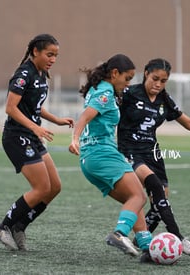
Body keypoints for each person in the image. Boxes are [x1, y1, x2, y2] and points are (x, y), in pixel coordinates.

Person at [117, 58, 190, 257]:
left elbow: (188, 123)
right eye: (155, 79)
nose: (158, 84)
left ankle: (142, 240)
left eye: (163, 81)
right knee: (154, 186)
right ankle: (178, 237)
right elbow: (105, 110)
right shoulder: (129, 94)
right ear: (146, 73)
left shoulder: (165, 99)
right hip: (129, 151)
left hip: (152, 153)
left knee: (161, 197)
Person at [0, 34, 74, 251]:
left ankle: (20, 226)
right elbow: (11, 108)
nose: (53, 59)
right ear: (35, 51)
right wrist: (35, 127)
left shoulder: (41, 74)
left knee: (54, 187)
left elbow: (34, 106)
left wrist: (56, 119)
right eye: (49, 54)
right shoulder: (23, 74)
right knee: (41, 187)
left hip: (31, 135)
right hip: (17, 137)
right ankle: (3, 227)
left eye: (56, 55)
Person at [69, 54, 152, 258]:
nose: (129, 83)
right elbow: (84, 118)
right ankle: (119, 234)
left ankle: (146, 244)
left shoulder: (99, 89)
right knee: (139, 195)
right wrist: (74, 138)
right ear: (115, 73)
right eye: (127, 78)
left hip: (90, 160)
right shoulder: (105, 92)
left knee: (133, 199)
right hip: (102, 153)